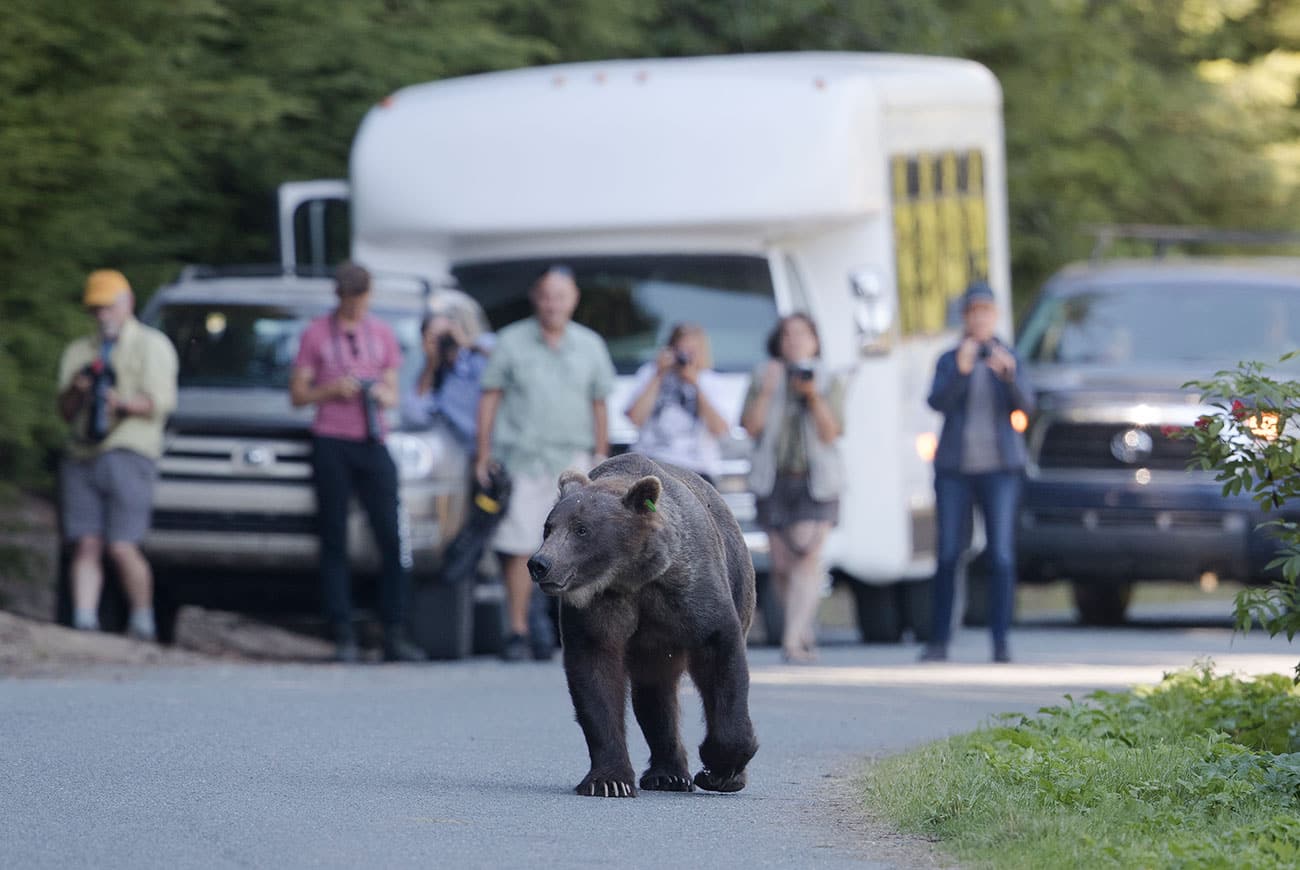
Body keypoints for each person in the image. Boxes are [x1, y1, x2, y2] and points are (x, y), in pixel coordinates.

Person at [475, 265, 615, 662]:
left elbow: (600, 403)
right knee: (520, 543)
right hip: (522, 455)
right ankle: (518, 630)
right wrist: (482, 452)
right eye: (547, 296)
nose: (553, 304)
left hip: (572, 459)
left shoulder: (590, 345)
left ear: (573, 300)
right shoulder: (511, 341)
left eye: (561, 296)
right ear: (536, 298)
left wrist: (600, 457)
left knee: (579, 544)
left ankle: (570, 631)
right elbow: (490, 396)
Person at [290, 262, 427, 663]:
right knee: (333, 538)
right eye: (349, 303)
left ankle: (393, 630)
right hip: (331, 439)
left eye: (360, 302)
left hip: (372, 440)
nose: (355, 310)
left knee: (391, 537)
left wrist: (382, 395)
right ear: (339, 297)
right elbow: (298, 394)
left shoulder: (381, 333)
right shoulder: (316, 333)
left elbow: (394, 391)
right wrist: (331, 389)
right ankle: (342, 632)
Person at [56, 269, 178, 641]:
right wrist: (78, 390)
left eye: (107, 306)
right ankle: (84, 622)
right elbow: (63, 410)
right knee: (85, 542)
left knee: (123, 545)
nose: (101, 314)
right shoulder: (79, 351)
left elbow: (161, 402)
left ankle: (142, 622)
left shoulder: (151, 344)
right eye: (95, 308)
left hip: (129, 451)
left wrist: (119, 404)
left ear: (127, 303)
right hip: (83, 453)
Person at [921, 280, 1034, 664]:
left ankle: (1001, 641)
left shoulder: (1009, 356)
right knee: (949, 553)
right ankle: (939, 640)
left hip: (1001, 469)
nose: (981, 318)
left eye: (987, 311)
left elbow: (1028, 405)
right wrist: (963, 370)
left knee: (1001, 554)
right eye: (974, 312)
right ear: (966, 317)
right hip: (955, 469)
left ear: (995, 316)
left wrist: (1009, 375)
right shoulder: (950, 359)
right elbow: (936, 401)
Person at [740, 313, 845, 664]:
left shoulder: (829, 378)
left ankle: (791, 639)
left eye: (803, 335)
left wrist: (813, 396)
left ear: (815, 341)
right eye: (788, 335)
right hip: (774, 478)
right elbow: (750, 427)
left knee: (808, 557)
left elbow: (832, 432)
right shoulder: (762, 375)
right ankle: (801, 627)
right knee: (782, 564)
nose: (795, 341)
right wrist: (770, 390)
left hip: (815, 480)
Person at [624, 323, 730, 483]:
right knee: (647, 506)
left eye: (691, 351)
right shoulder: (650, 374)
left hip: (695, 471)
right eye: (681, 350)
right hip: (650, 465)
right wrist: (658, 375)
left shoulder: (712, 381)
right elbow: (635, 419)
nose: (685, 357)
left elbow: (720, 429)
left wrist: (695, 384)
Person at [402, 305, 488, 451]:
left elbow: (508, 363)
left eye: (447, 334)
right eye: (437, 337)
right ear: (424, 343)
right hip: (461, 453)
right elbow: (414, 415)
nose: (444, 341)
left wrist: (466, 343)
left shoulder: (476, 357)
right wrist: (431, 365)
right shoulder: (430, 375)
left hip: (494, 449)